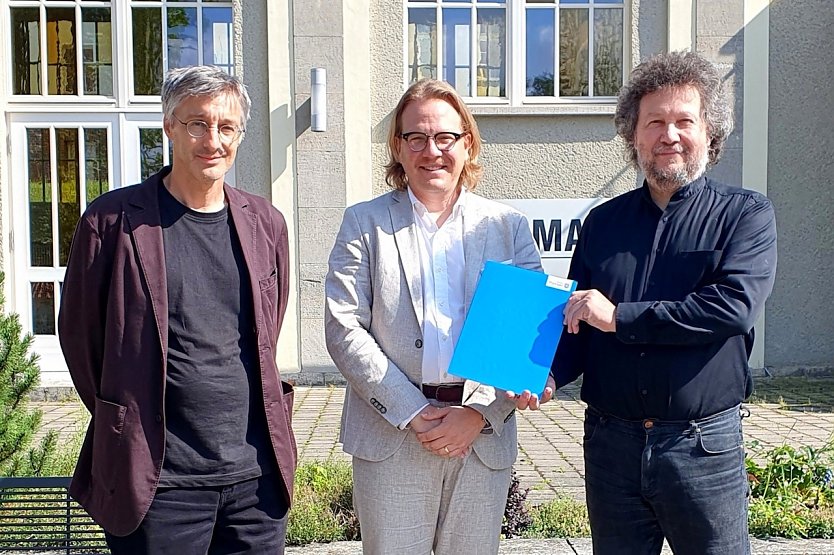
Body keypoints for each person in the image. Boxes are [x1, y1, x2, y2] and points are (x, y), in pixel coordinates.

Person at [520, 51, 778, 554]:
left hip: (702, 448)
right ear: (633, 135)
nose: (669, 135)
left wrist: (621, 317)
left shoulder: (745, 215)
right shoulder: (602, 223)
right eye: (654, 122)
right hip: (610, 447)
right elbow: (577, 320)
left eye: (684, 121)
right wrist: (546, 373)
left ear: (709, 132)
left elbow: (732, 307)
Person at [58, 65, 296, 554]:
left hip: (255, 480)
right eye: (197, 124)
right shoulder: (111, 222)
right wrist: (123, 412)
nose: (213, 140)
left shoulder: (265, 222)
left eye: (227, 127)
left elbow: (268, 327)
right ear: (169, 126)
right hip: (157, 482)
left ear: (240, 134)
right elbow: (82, 339)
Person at [324, 78, 541, 554]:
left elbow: (520, 340)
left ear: (467, 143)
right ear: (398, 148)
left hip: (480, 439)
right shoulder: (364, 223)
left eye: (445, 136)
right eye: (417, 137)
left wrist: (479, 414)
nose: (432, 151)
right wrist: (415, 411)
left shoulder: (507, 227)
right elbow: (343, 327)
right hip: (393, 435)